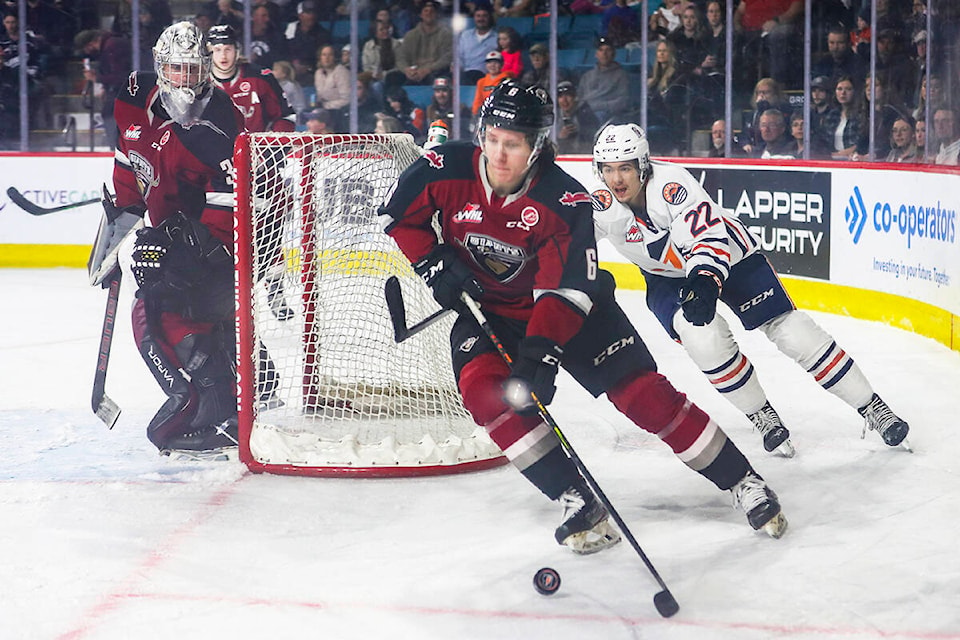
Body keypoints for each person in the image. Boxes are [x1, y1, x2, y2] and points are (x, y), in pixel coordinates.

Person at [381, 80, 789, 552]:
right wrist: (432, 261)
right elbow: (396, 216)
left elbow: (566, 291)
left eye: (512, 144)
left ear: (536, 146)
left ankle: (742, 480)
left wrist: (540, 355)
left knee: (643, 397)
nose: (498, 154)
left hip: (577, 314)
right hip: (492, 311)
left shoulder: (563, 200)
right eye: (491, 138)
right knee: (484, 392)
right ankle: (576, 498)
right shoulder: (446, 166)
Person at [588, 122, 911, 460]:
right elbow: (566, 240)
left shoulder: (672, 184)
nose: (617, 179)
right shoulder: (599, 200)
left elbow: (706, 237)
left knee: (793, 332)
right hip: (665, 278)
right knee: (704, 340)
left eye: (625, 167)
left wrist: (704, 280)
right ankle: (761, 414)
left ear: (643, 165)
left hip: (732, 257)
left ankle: (873, 407)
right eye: (608, 169)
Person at [110, 21, 242, 453]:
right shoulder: (133, 97)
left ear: (206, 69)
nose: (185, 78)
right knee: (189, 308)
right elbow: (130, 167)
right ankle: (242, 392)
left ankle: (207, 402)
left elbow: (227, 213)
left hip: (214, 242)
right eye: (176, 69)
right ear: (160, 68)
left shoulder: (222, 122)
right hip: (172, 232)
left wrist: (180, 248)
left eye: (192, 69)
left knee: (156, 307)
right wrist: (122, 219)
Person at [208, 24, 297, 134]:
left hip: (255, 148)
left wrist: (272, 143)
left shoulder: (260, 77)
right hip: (212, 150)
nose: (223, 56)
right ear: (209, 52)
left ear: (237, 50)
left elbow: (286, 117)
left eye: (228, 49)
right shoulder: (198, 83)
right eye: (217, 50)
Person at [74, 28, 132, 149]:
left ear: (90, 44)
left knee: (110, 114)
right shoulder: (110, 45)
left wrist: (97, 78)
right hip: (121, 89)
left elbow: (121, 75)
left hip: (126, 90)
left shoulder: (112, 46)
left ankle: (117, 148)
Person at [396, 0, 453, 86]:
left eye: (432, 11)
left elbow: (448, 57)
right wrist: (406, 70)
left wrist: (429, 69)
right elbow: (401, 57)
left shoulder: (446, 34)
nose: (428, 13)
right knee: (392, 77)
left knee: (430, 78)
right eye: (426, 11)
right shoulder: (410, 35)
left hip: (436, 72)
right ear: (420, 15)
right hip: (414, 72)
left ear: (437, 14)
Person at [577, 37, 630, 124]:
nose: (604, 53)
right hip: (585, 113)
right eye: (601, 50)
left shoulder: (621, 75)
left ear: (613, 53)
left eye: (608, 50)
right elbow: (579, 98)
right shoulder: (587, 76)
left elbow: (623, 101)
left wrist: (597, 106)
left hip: (606, 116)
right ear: (596, 54)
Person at [456, 1, 496, 85]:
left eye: (484, 16)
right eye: (478, 16)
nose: (481, 19)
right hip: (465, 75)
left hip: (487, 77)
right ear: (474, 18)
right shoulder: (465, 35)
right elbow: (459, 56)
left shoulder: (496, 38)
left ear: (490, 17)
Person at [555, 80, 600, 155]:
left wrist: (579, 131)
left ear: (575, 97)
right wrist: (560, 137)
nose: (564, 100)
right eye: (560, 96)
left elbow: (593, 139)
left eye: (568, 95)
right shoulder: (555, 116)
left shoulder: (586, 114)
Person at [471, 50, 509, 116]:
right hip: (485, 114)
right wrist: (476, 113)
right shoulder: (481, 82)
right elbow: (478, 101)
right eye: (489, 62)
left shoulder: (507, 80)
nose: (492, 65)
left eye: (496, 62)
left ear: (502, 64)